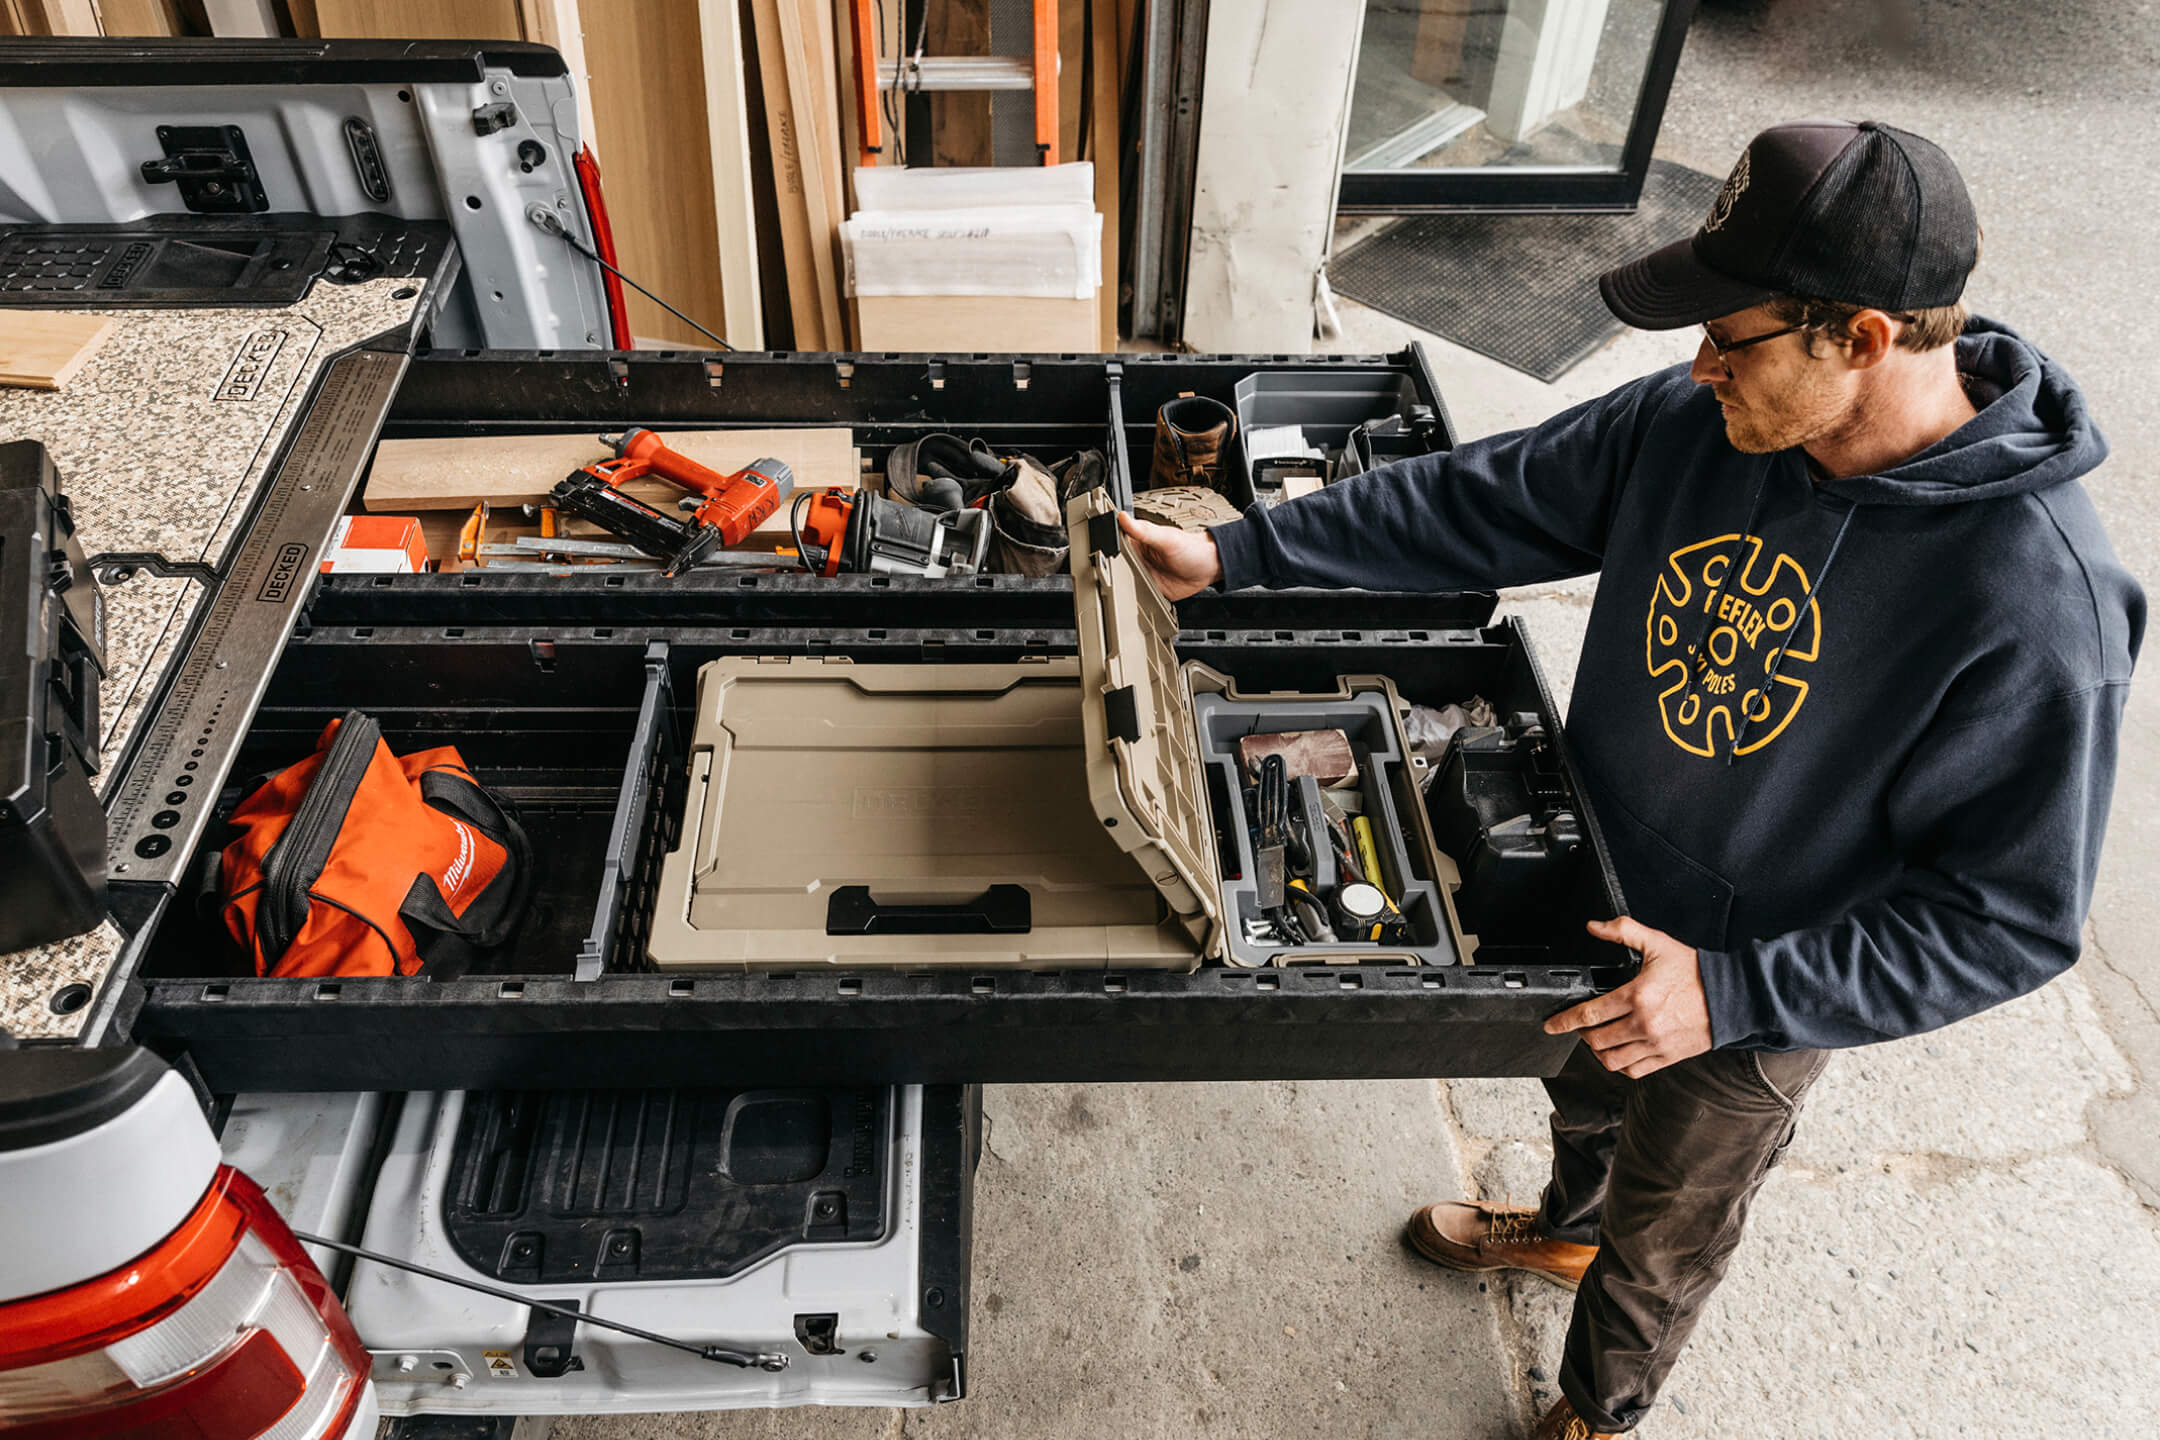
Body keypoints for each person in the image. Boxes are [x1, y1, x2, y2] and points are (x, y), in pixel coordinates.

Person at [1118, 120, 2144, 1439]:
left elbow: (2010, 919)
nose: (1701, 365)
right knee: (1586, 1104)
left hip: (1757, 991)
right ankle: (1565, 1227)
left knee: (1667, 1231)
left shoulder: (2040, 607)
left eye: (1733, 338)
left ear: (1862, 339)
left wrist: (1731, 993)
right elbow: (1489, 496)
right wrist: (1247, 554)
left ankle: (1599, 1407)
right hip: (1602, 890)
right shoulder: (1704, 421)